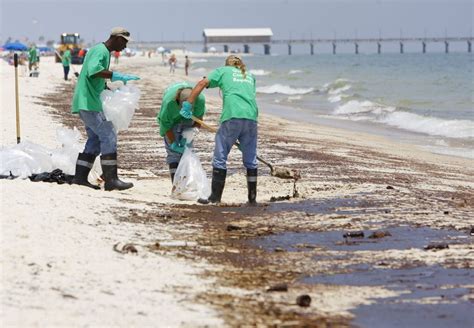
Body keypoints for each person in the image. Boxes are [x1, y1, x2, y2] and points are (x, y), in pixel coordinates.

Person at [181, 55, 258, 205]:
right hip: (252, 117)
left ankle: (215, 198)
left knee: (220, 156)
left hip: (232, 115)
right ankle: (252, 199)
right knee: (251, 159)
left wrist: (188, 103)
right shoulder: (250, 76)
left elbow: (202, 83)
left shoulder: (223, 71)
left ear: (227, 64)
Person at [71, 27, 140, 191]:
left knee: (94, 140)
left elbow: (94, 77)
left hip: (87, 101)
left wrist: (109, 88)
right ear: (117, 38)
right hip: (89, 103)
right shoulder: (101, 51)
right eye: (124, 42)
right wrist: (117, 76)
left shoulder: (101, 51)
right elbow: (94, 72)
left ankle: (80, 178)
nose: (125, 46)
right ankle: (111, 180)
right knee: (108, 135)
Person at [157, 82, 206, 182]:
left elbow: (199, 118)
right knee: (173, 153)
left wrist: (193, 130)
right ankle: (176, 185)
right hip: (172, 119)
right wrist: (173, 143)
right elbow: (166, 125)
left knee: (187, 150)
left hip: (189, 119)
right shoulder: (170, 103)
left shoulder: (200, 99)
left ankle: (186, 181)